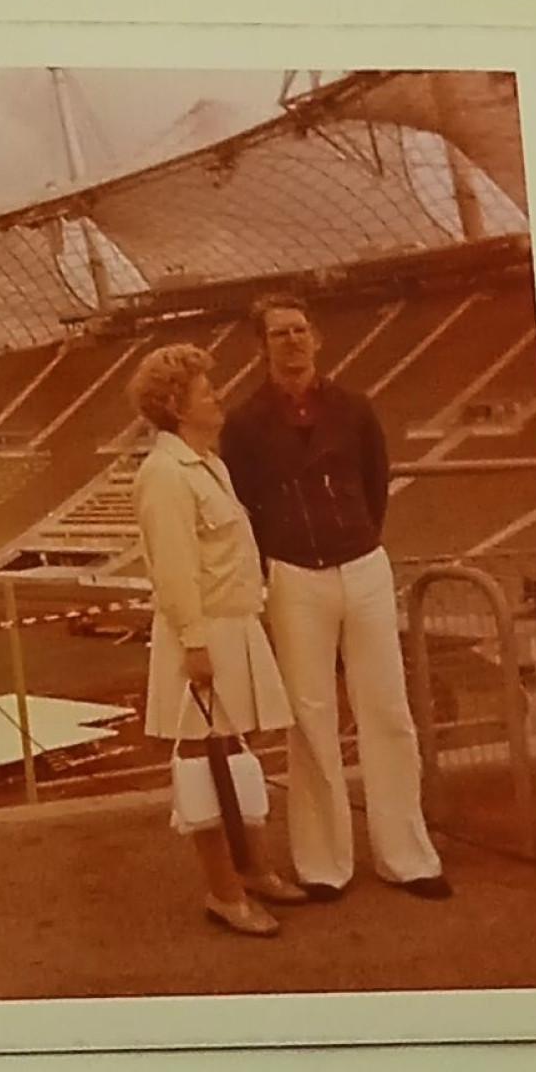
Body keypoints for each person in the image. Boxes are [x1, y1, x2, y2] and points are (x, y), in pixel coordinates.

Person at [220, 293, 451, 901]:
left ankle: (408, 856)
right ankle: (324, 865)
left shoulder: (354, 409)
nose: (291, 342)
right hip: (296, 574)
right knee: (310, 717)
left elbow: (374, 486)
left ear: (316, 339)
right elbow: (246, 504)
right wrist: (284, 553)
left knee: (388, 713)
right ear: (262, 346)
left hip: (363, 565)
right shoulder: (243, 425)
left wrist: (358, 538)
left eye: (299, 331)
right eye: (278, 334)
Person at [127, 342, 307, 938]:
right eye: (206, 390)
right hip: (201, 636)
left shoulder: (210, 464)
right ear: (177, 405)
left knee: (235, 755)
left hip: (235, 627)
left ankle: (253, 869)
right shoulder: (164, 474)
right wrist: (195, 645)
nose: (217, 396)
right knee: (203, 768)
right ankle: (223, 892)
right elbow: (174, 570)